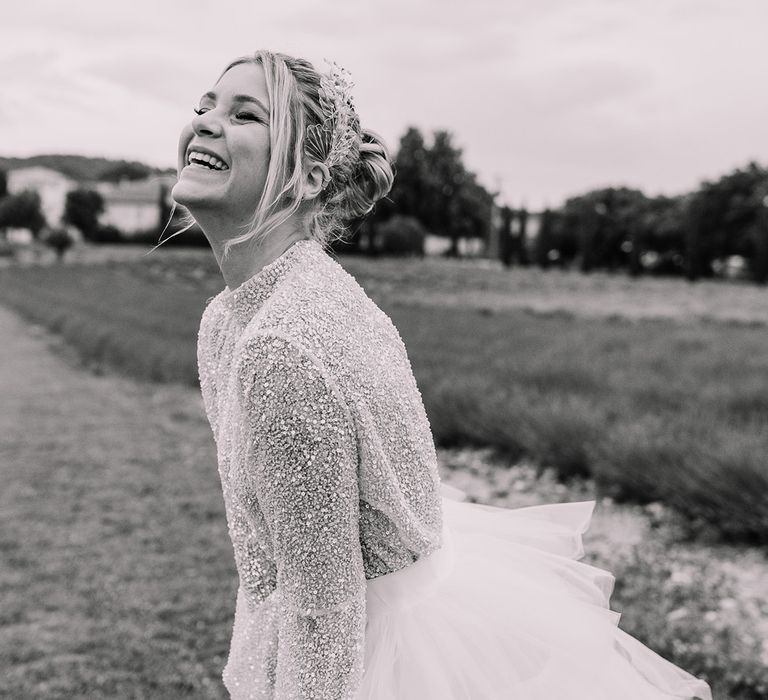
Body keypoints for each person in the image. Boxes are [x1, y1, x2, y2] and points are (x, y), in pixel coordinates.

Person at [171, 50, 712, 700]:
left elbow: (325, 612)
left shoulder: (280, 343)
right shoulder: (230, 320)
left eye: (244, 114)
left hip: (381, 662)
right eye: (206, 104)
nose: (205, 121)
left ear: (308, 178)